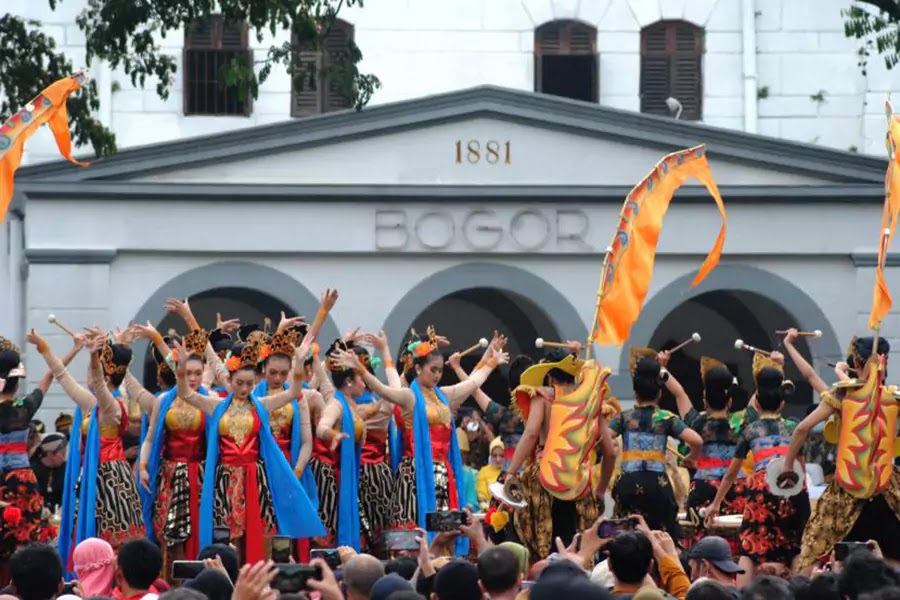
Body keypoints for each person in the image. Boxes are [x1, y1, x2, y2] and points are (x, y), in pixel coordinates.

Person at [332, 327, 507, 554]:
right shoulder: (409, 397)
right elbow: (384, 390)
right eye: (432, 370)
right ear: (417, 368)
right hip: (413, 475)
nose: (436, 375)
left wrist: (491, 359)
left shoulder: (444, 395)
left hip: (443, 476)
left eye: (439, 371)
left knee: (445, 538)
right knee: (412, 538)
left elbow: (473, 383)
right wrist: (362, 371)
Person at [171, 330, 324, 564]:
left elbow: (293, 391)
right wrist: (181, 368)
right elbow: (185, 394)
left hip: (255, 478)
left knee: (258, 535)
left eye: (249, 384)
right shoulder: (217, 405)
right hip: (226, 479)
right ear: (230, 381)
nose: (244, 389)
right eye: (239, 383)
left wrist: (300, 362)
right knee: (226, 539)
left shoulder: (261, 404)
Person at [28, 329, 146, 572]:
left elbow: (101, 387)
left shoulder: (111, 407)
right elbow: (62, 376)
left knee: (112, 543)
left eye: (95, 373)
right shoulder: (92, 405)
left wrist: (94, 358)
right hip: (92, 475)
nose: (89, 378)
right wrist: (44, 348)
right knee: (88, 541)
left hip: (112, 479)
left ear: (104, 376)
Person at [783, 335, 900, 570]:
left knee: (810, 556)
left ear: (856, 363)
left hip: (847, 493)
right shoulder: (895, 398)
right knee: (893, 561)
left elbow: (802, 429)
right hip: (887, 488)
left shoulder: (842, 396)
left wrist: (787, 466)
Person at [706, 351, 809, 583]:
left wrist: (716, 503)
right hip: (792, 485)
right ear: (783, 402)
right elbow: (800, 468)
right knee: (796, 546)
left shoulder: (750, 430)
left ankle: (742, 594)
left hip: (763, 486)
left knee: (750, 548)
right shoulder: (794, 427)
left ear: (757, 402)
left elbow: (732, 473)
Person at [506, 344, 616, 561]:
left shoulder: (544, 395)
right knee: (575, 544)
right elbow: (610, 452)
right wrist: (601, 489)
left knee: (540, 549)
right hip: (579, 483)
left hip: (544, 478)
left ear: (549, 374)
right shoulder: (590, 401)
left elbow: (530, 434)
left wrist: (511, 472)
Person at [130, 320, 210, 568]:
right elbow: (151, 437)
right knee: (167, 531)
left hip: (200, 475)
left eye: (198, 373)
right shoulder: (164, 400)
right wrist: (143, 466)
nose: (193, 378)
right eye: (188, 372)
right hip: (169, 474)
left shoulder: (209, 400)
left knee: (198, 532)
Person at [0, 333, 80, 576]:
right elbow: (51, 374)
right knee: (28, 539)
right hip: (24, 480)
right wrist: (75, 349)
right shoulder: (25, 407)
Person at [609, 349, 702, 537]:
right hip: (657, 484)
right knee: (661, 534)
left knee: (627, 534)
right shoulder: (666, 418)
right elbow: (697, 440)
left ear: (635, 391)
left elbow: (603, 436)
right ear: (659, 393)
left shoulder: (624, 418)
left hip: (628, 482)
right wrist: (690, 458)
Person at [672, 357, 746, 550]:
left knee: (700, 545)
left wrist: (662, 369)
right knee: (736, 544)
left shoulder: (696, 423)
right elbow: (759, 398)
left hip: (703, 487)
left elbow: (679, 393)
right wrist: (777, 364)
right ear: (729, 401)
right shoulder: (741, 424)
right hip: (737, 487)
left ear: (704, 402)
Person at [31, 433, 67, 514]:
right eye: (62, 453)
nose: (64, 457)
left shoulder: (66, 470)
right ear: (50, 454)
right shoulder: (32, 471)